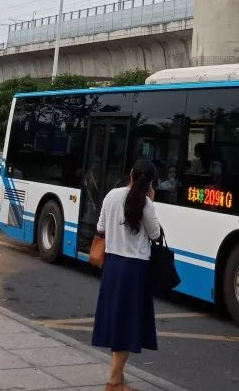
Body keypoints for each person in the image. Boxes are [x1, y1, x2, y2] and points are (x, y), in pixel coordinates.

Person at [92, 159, 161, 391]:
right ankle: (113, 383)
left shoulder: (111, 195)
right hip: (135, 269)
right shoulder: (146, 203)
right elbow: (155, 234)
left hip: (112, 265)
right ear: (150, 183)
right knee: (126, 325)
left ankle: (118, 381)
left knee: (119, 323)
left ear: (130, 173)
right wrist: (151, 202)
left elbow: (100, 228)